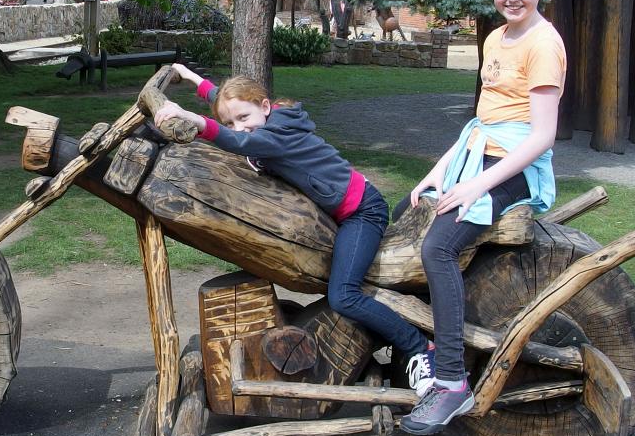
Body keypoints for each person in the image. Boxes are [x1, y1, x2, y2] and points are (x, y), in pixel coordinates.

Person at [154, 63, 435, 396]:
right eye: (230, 121)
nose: (239, 126)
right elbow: (223, 100)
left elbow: (236, 142)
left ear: (265, 107)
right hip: (342, 209)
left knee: (344, 295)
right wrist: (190, 77)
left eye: (244, 118)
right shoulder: (265, 119)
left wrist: (195, 120)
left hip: (362, 211)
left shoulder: (274, 135)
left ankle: (421, 349)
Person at [396, 0, 566, 436]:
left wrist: (477, 186)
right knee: (404, 215)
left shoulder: (543, 44)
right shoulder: (495, 38)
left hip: (514, 167)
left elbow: (542, 136)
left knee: (438, 247)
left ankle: (451, 380)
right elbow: (482, 121)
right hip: (478, 154)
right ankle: (419, 342)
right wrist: (439, 170)